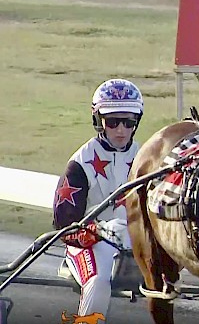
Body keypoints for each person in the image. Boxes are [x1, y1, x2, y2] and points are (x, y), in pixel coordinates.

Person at [52, 78, 144, 320]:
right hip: (88, 242)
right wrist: (95, 232)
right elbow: (64, 225)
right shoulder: (80, 163)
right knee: (99, 280)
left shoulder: (146, 158)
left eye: (129, 121)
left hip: (134, 240)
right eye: (113, 122)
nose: (121, 130)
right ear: (98, 121)